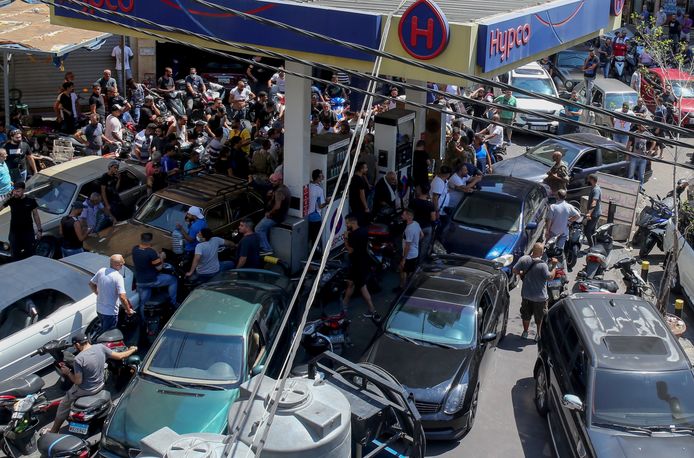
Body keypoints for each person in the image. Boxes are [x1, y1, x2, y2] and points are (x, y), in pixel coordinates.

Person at [49, 332, 137, 434]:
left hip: (86, 390)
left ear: (77, 345)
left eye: (75, 346)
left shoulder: (79, 359)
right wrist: (132, 349)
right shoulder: (100, 347)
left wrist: (68, 372)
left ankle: (53, 431)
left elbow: (78, 381)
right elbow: (120, 356)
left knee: (63, 405)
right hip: (100, 385)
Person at [512, 243, 557, 340]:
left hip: (526, 295)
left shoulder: (524, 259)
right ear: (541, 252)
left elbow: (514, 270)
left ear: (533, 250)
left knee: (526, 315)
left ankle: (525, 332)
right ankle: (538, 334)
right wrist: (554, 267)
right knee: (539, 317)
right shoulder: (543, 265)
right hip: (540, 298)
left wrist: (521, 272)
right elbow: (549, 277)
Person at [341, 215, 380, 320]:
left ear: (352, 223)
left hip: (356, 263)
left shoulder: (353, 235)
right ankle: (344, 305)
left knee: (362, 287)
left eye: (347, 223)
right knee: (350, 283)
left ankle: (373, 310)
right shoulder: (363, 231)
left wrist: (345, 238)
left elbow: (350, 250)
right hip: (363, 261)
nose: (346, 224)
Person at [131, 232, 178, 316]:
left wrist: (155, 253)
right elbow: (159, 268)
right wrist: (162, 257)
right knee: (173, 280)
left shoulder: (135, 249)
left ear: (141, 239)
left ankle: (143, 321)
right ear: (151, 240)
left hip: (140, 282)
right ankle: (173, 303)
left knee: (143, 303)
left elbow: (145, 255)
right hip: (152, 280)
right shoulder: (151, 253)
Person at [89, 254, 134, 333]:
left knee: (104, 328)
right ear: (117, 265)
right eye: (121, 265)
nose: (122, 266)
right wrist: (128, 310)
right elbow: (122, 297)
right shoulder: (118, 277)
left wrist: (97, 293)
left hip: (99, 309)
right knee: (108, 334)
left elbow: (91, 284)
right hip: (110, 313)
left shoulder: (101, 270)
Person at [1, 182, 41, 260]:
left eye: (18, 191)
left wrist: (39, 229)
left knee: (31, 254)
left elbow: (36, 215)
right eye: (14, 190)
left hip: (28, 232)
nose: (15, 193)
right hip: (14, 233)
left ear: (23, 190)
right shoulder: (11, 199)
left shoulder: (30, 200)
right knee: (15, 256)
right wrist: (5, 199)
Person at [256, 173, 290, 255]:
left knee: (258, 229)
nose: (272, 183)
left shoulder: (279, 191)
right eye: (271, 181)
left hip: (275, 217)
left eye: (274, 181)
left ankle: (266, 249)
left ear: (280, 180)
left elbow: (277, 207)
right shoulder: (283, 188)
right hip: (280, 215)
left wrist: (269, 213)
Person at [397, 208, 422, 291]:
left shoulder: (409, 229)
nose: (402, 216)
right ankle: (411, 287)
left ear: (409, 216)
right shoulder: (416, 223)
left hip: (408, 255)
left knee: (402, 270)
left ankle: (401, 288)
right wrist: (416, 243)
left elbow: (407, 246)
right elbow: (422, 235)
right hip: (415, 253)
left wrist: (403, 259)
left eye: (404, 214)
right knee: (410, 271)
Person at [410, 184, 436, 262]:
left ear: (420, 191)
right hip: (427, 228)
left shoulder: (413, 202)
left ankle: (411, 263)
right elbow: (433, 218)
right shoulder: (430, 204)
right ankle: (420, 264)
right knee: (424, 248)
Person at [308, 169, 330, 249]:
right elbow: (320, 206)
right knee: (316, 237)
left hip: (307, 215)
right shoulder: (319, 190)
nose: (323, 177)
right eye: (321, 176)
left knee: (309, 236)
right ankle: (315, 254)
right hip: (316, 217)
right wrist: (327, 202)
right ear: (317, 178)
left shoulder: (308, 186)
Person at [430, 165, 452, 231]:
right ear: (448, 174)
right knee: (441, 228)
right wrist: (437, 211)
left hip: (442, 210)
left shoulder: (443, 181)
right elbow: (435, 198)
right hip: (439, 211)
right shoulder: (438, 182)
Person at [584, 174, 602, 246]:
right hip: (595, 213)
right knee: (592, 231)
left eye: (588, 179)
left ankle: (591, 247)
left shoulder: (596, 190)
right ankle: (594, 246)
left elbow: (594, 203)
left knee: (587, 231)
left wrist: (589, 213)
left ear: (592, 180)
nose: (587, 180)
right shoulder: (594, 187)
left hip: (594, 214)